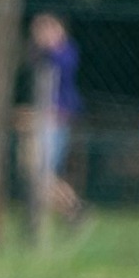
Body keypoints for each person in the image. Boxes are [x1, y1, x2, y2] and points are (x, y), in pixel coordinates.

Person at [28, 12, 84, 223]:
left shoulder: (65, 53)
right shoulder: (43, 57)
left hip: (57, 118)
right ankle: (72, 209)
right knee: (40, 174)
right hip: (45, 117)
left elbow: (62, 66)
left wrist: (47, 45)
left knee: (43, 173)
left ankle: (75, 209)